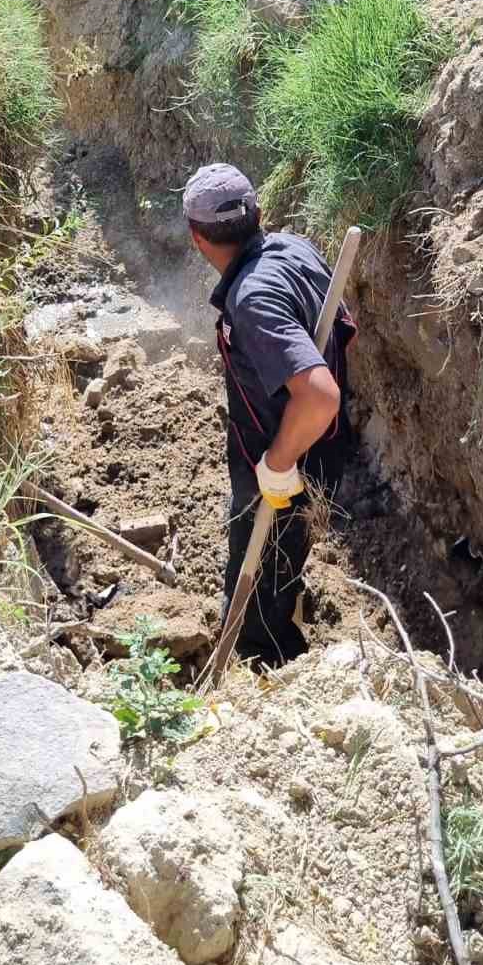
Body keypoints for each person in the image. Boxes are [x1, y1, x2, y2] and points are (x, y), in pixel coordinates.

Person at [184, 162, 355, 668]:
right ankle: (285, 608)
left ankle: (271, 671)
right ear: (259, 214)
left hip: (288, 462)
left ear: (197, 238)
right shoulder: (294, 249)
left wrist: (278, 464)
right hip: (318, 446)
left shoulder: (254, 298)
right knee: (280, 562)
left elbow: (319, 395)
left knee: (259, 586)